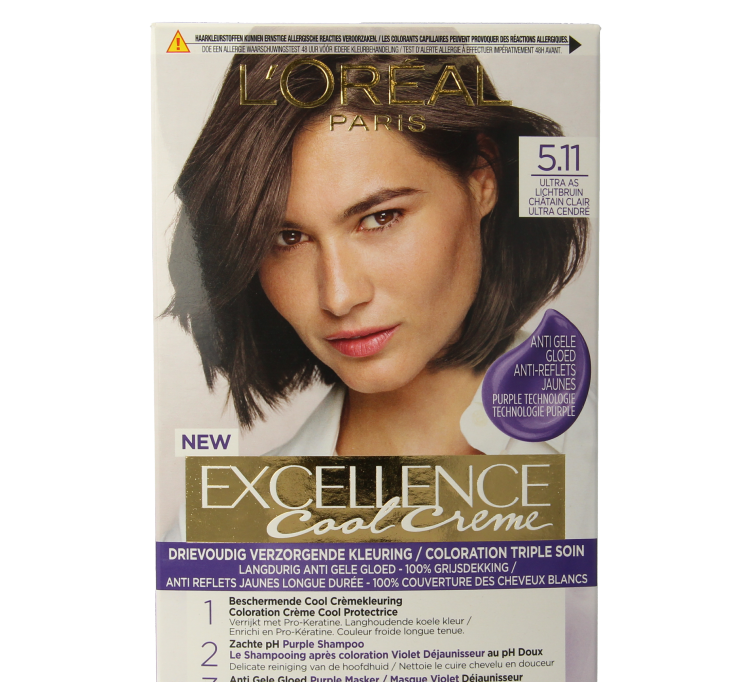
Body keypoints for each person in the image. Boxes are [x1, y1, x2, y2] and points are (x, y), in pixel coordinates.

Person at [168, 53, 589, 457]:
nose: (339, 297)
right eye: (288, 238)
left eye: (380, 217)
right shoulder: (243, 508)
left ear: (482, 178)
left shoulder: (588, 456)